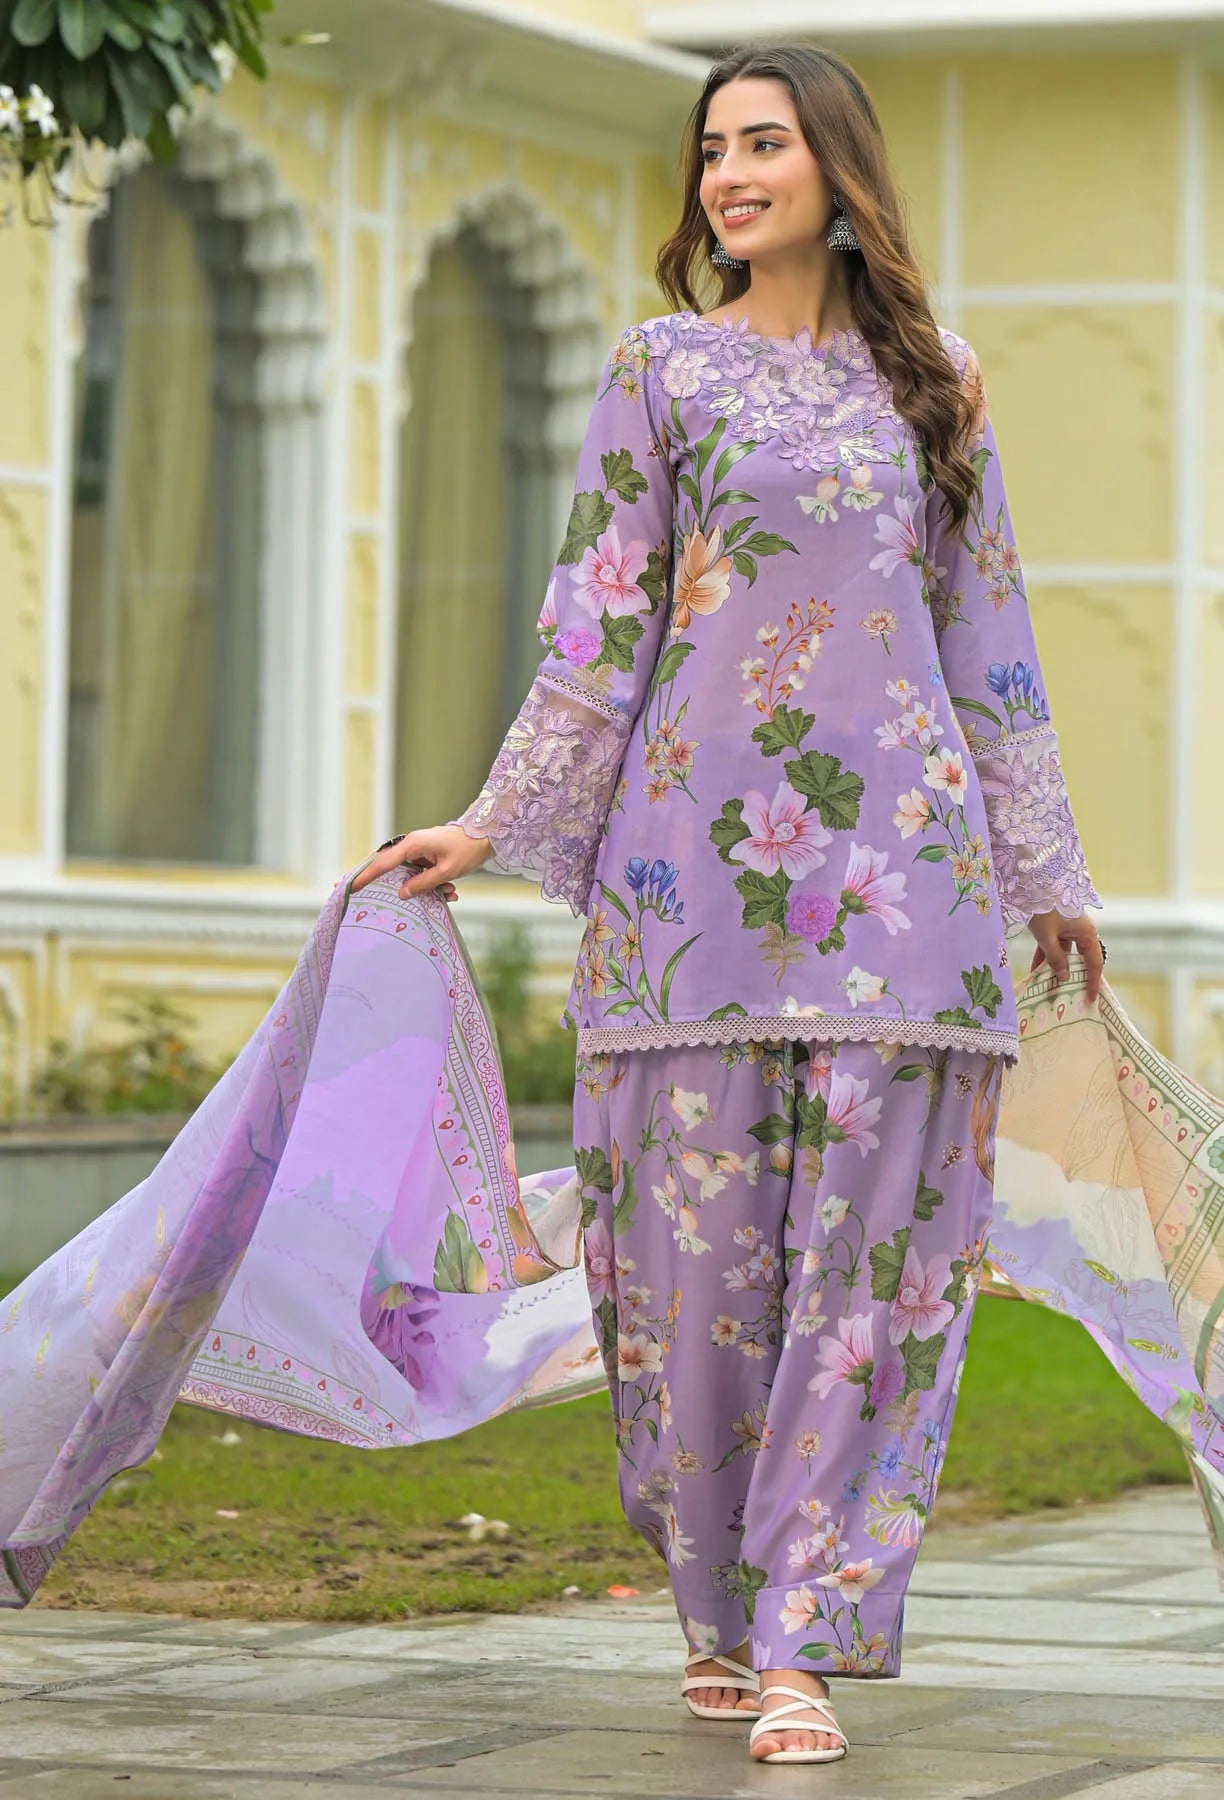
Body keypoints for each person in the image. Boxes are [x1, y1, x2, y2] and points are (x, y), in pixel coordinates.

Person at [352, 41, 1103, 1768]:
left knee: (878, 1270)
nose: (730, 176)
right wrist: (492, 823)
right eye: (712, 151)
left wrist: (1045, 867)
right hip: (681, 891)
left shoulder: (942, 388)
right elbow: (601, 621)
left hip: (905, 895)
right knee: (680, 1278)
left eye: (764, 144)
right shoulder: (662, 374)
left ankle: (802, 1643)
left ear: (841, 172)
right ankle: (716, 1609)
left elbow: (991, 642)